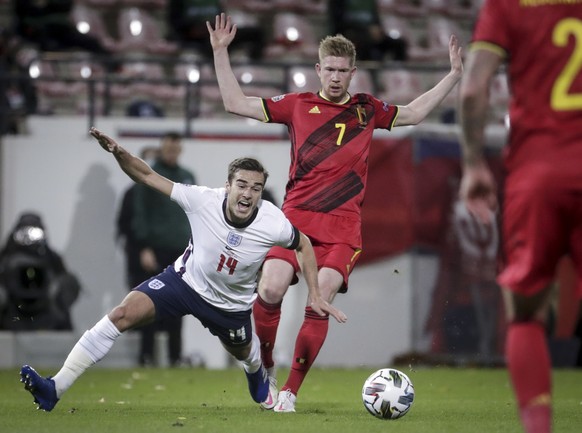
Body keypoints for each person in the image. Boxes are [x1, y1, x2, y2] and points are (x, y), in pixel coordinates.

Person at [207, 13, 462, 412]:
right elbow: (233, 103)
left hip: (342, 228)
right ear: (318, 69)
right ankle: (267, 370)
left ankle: (289, 392)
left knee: (319, 297)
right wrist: (221, 53)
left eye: (343, 71)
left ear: (354, 72)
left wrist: (452, 77)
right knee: (270, 287)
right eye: (330, 69)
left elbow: (413, 113)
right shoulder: (297, 105)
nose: (336, 77)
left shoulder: (368, 109)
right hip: (295, 220)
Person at [19, 127, 347, 412]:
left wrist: (315, 293)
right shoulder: (201, 199)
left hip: (230, 307)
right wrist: (119, 153)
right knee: (122, 314)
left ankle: (255, 371)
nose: (248, 194)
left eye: (256, 188)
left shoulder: (272, 221)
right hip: (183, 283)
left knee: (245, 354)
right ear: (228, 185)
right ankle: (54, 389)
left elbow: (303, 244)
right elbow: (147, 176)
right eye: (242, 185)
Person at [458, 2, 582, 433]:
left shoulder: (506, 4)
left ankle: (538, 426)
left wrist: (474, 165)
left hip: (538, 172)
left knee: (525, 309)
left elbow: (474, 89)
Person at [130, 134, 195, 367]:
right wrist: (144, 246)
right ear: (162, 149)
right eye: (168, 148)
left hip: (181, 250)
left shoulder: (187, 176)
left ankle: (175, 357)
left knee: (180, 302)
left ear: (180, 149)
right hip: (155, 248)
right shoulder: (150, 176)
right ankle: (146, 356)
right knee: (148, 301)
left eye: (175, 148)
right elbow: (140, 213)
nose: (172, 152)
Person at [0, 212, 80, 331]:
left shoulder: (52, 259)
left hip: (46, 316)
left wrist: (57, 295)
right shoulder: (5, 257)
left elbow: (68, 286)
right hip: (10, 316)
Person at [167, 0, 265, 61]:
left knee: (256, 33)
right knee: (211, 45)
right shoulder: (179, 2)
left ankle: (254, 64)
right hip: (193, 37)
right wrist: (193, 29)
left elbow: (220, 16)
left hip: (216, 32)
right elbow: (175, 22)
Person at [328, 0, 408, 62]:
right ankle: (369, 74)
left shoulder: (369, 1)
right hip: (350, 32)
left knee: (399, 44)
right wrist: (367, 30)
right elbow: (338, 22)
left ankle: (396, 73)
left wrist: (378, 29)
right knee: (365, 42)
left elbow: (375, 18)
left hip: (370, 32)